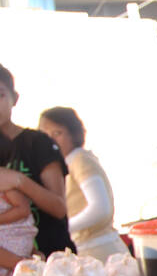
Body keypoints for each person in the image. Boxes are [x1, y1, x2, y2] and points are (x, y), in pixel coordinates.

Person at [0, 64, 74, 266]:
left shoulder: (38, 143)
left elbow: (59, 208)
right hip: (10, 268)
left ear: (14, 98)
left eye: (0, 95)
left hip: (52, 260)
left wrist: (18, 181)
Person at [37, 107, 127, 261]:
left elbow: (100, 208)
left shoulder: (80, 160)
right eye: (45, 134)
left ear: (73, 133)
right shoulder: (62, 165)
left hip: (100, 253)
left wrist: (64, 229)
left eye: (57, 133)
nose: (51, 139)